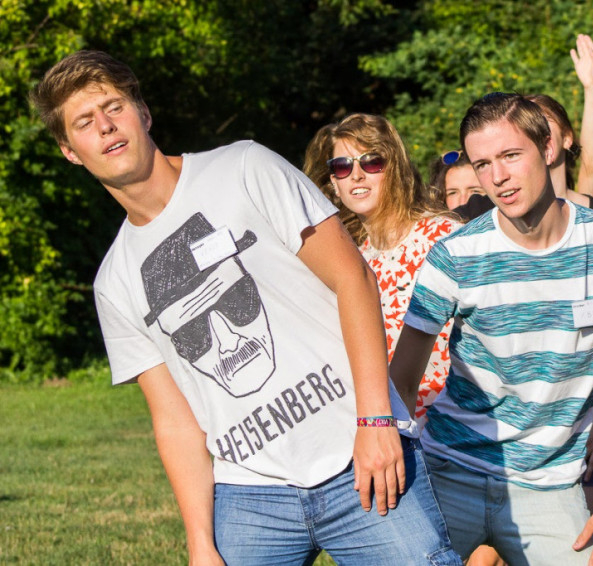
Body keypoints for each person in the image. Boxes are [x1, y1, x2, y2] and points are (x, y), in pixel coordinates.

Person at [30, 50, 461, 565]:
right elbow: (173, 418)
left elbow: (353, 280)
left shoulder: (243, 167)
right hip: (249, 495)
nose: (104, 126)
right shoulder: (114, 282)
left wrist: (375, 421)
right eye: (84, 122)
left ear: (143, 113)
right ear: (70, 151)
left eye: (113, 107)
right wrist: (199, 542)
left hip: (359, 451)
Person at [389, 92, 593, 565]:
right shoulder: (456, 253)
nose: (497, 176)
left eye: (510, 155)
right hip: (449, 470)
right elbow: (402, 377)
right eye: (482, 164)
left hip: (552, 485)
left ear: (548, 148)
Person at [304, 113, 462, 425]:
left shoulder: (445, 238)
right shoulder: (351, 263)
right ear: (334, 183)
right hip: (394, 434)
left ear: (395, 168)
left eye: (371, 162)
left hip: (457, 433)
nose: (356, 175)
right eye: (342, 166)